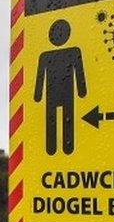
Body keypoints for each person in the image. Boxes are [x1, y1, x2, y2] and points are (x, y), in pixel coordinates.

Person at [35, 19, 87, 155]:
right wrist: (38, 95)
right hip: (53, 93)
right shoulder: (45, 56)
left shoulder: (74, 52)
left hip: (65, 92)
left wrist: (82, 91)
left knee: (67, 118)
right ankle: (51, 148)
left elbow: (79, 72)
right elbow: (40, 76)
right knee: (52, 120)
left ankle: (67, 147)